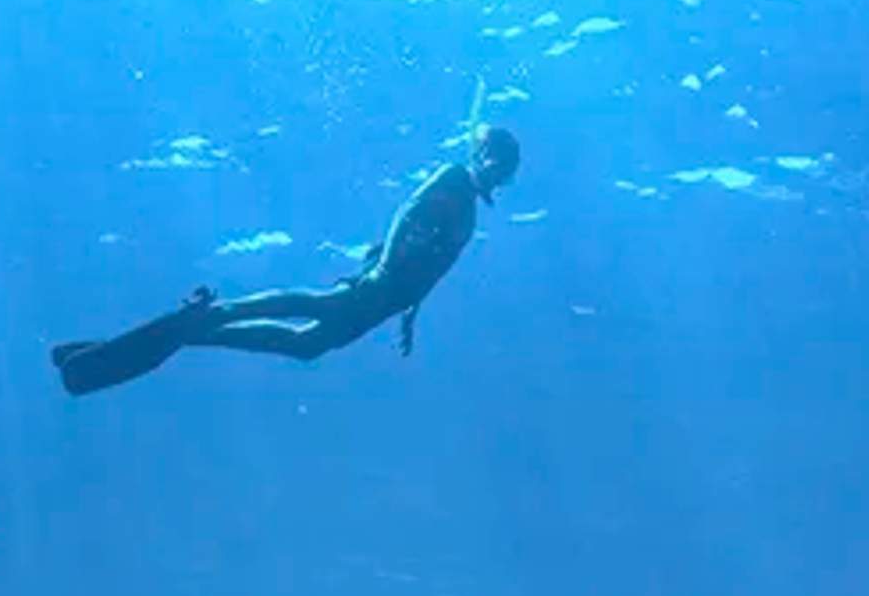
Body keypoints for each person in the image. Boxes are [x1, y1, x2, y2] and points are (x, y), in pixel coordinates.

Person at [53, 124, 521, 399]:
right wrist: (385, 268)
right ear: (484, 156)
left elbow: (436, 267)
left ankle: (197, 332)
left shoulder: (471, 208)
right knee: (319, 306)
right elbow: (407, 213)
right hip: (383, 282)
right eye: (497, 165)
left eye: (505, 173)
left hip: (395, 297)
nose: (499, 176)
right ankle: (216, 315)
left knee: (308, 345)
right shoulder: (454, 177)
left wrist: (412, 313)